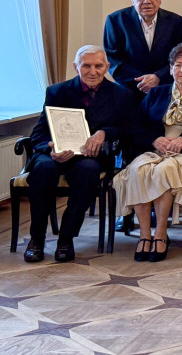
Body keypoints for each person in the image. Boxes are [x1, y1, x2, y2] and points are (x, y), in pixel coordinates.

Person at [23, 46, 134, 263]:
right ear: (76, 67)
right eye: (86, 65)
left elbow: (129, 130)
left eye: (98, 66)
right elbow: (39, 132)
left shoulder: (121, 95)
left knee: (88, 171)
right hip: (54, 154)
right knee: (43, 168)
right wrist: (50, 147)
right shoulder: (57, 91)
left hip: (90, 157)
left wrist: (104, 133)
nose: (93, 71)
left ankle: (66, 238)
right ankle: (36, 238)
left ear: (107, 67)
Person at [112, 43, 182, 262]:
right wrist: (154, 139)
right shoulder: (156, 93)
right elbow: (135, 126)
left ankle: (161, 234)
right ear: (170, 69)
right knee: (138, 170)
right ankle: (144, 235)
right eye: (177, 65)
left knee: (165, 170)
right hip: (155, 150)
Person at [104, 0, 182, 94]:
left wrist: (158, 77)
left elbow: (181, 57)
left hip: (164, 89)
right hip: (128, 90)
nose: (147, 1)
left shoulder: (176, 22)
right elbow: (113, 59)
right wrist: (143, 81)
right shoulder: (116, 21)